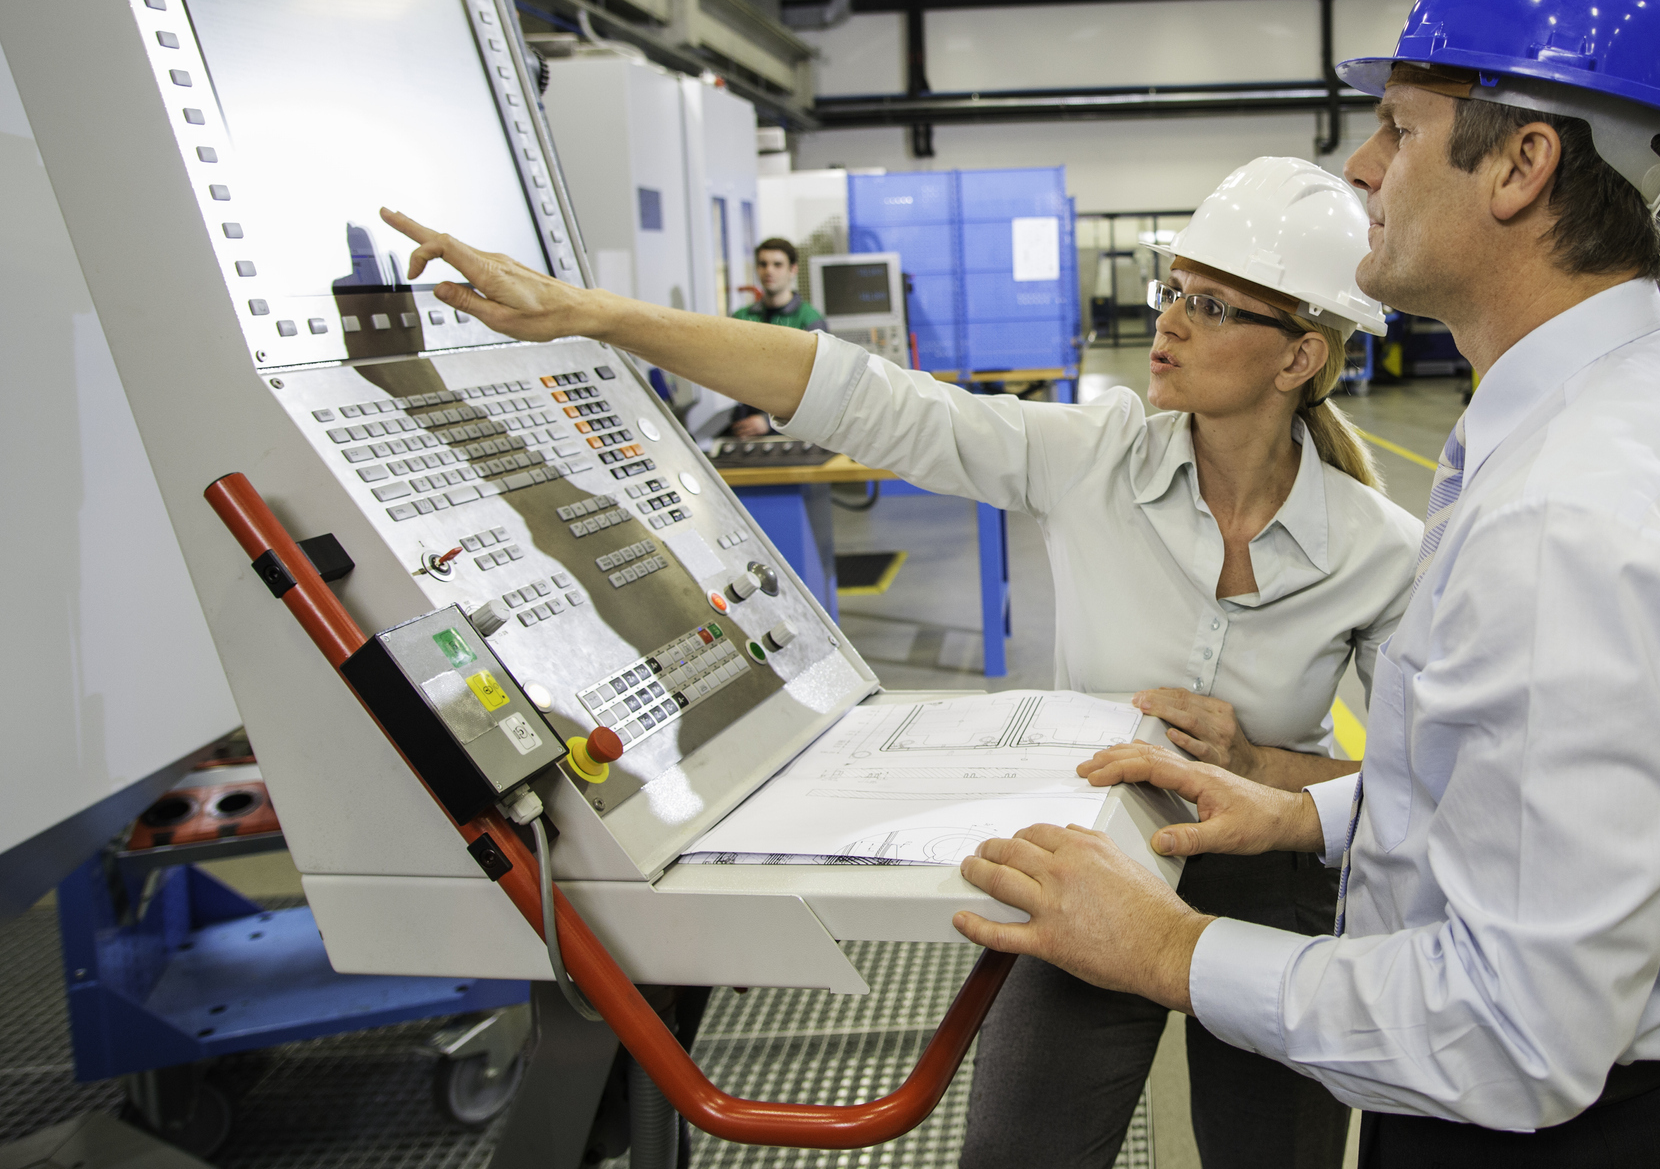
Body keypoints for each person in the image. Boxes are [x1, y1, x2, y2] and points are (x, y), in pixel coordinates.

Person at [945, 0, 1660, 1169]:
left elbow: (1513, 1033)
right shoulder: (1637, 417)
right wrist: (1304, 817)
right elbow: (1527, 799)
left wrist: (1169, 948)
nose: (1362, 169)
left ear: (1521, 164)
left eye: (1399, 129)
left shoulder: (1573, 515)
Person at [379, 156, 1427, 1169]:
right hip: (1092, 863)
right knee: (1017, 1152)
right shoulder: (1094, 457)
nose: (1169, 320)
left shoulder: (1384, 551)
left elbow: (1426, 791)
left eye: (1212, 305)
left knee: (1272, 1153)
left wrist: (1260, 765)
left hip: (1275, 876)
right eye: (1174, 290)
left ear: (1298, 356)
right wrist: (594, 315)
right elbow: (874, 400)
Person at [727, 237, 826, 438]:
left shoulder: (810, 321)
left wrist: (768, 422)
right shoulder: (741, 318)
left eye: (777, 264)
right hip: (744, 428)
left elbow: (819, 388)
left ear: (793, 269)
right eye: (763, 264)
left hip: (792, 431)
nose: (769, 271)